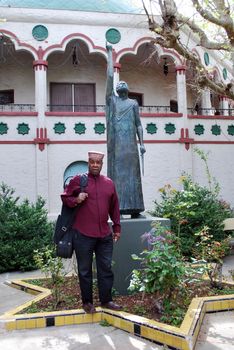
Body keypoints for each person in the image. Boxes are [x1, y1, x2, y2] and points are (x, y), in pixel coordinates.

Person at [61, 151, 122, 314]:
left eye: (98, 162)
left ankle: (106, 300)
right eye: (92, 162)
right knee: (84, 270)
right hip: (82, 234)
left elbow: (114, 207)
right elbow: (65, 198)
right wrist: (76, 199)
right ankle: (87, 302)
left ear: (102, 164)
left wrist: (117, 227)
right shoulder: (78, 180)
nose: (95, 164)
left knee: (106, 269)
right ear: (88, 163)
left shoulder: (109, 183)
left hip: (104, 235)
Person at [105, 44, 146, 218]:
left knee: (133, 176)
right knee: (118, 176)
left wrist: (142, 144)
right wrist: (109, 54)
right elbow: (109, 77)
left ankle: (135, 208)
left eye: (124, 82)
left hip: (131, 146)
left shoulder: (133, 104)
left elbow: (138, 124)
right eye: (118, 83)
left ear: (128, 89)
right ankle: (118, 209)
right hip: (117, 146)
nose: (120, 83)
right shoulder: (112, 101)